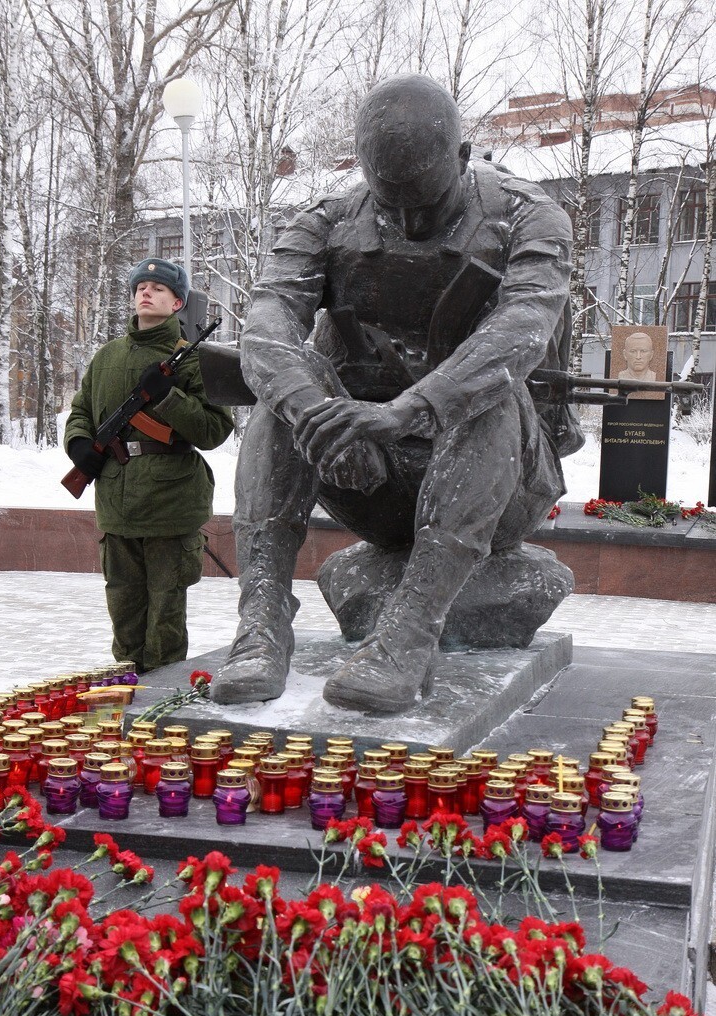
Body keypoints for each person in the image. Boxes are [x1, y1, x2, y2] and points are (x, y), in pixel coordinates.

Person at [210, 73, 582, 713]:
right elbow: (267, 329)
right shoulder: (324, 223)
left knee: (491, 386)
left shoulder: (530, 214)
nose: (408, 224)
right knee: (283, 402)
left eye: (426, 207)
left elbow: (523, 329)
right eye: (391, 206)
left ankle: (407, 639)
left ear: (465, 159)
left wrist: (406, 410)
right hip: (375, 480)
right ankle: (261, 624)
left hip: (501, 486)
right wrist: (318, 417)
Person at [64, 258, 234, 673]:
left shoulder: (193, 360)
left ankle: (161, 703)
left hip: (170, 503)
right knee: (123, 611)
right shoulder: (107, 356)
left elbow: (215, 430)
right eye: (141, 286)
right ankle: (125, 693)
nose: (147, 292)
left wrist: (167, 398)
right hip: (117, 503)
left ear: (177, 303)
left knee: (165, 619)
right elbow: (81, 411)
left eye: (159, 288)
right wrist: (80, 444)